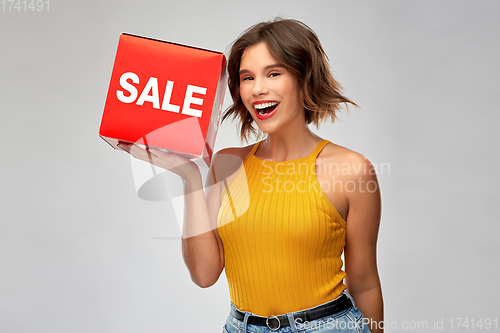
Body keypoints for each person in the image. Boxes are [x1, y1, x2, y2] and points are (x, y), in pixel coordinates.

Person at [119, 18, 383, 333]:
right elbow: (204, 275)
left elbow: (365, 282)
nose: (257, 89)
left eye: (274, 73)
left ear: (304, 78)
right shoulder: (227, 164)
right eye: (247, 77)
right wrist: (188, 177)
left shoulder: (351, 169)